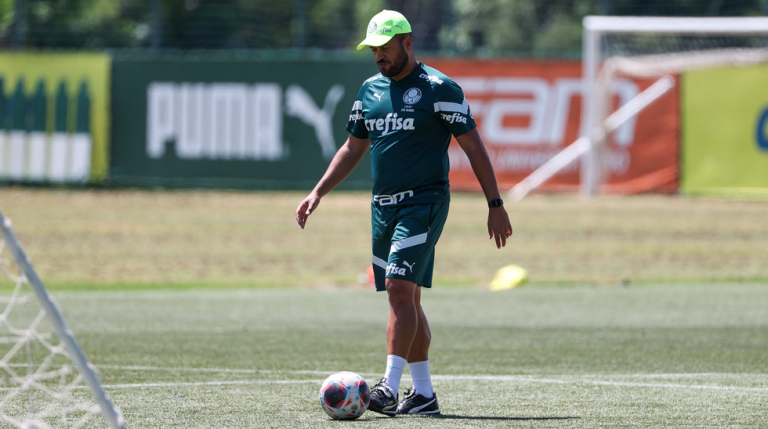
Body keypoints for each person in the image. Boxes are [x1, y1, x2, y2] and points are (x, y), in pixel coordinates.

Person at [295, 9, 512, 417]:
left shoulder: (439, 88)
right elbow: (352, 148)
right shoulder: (368, 90)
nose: (378, 55)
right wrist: (318, 191)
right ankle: (424, 395)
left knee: (397, 286)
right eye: (373, 49)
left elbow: (474, 145)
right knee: (406, 295)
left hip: (425, 202)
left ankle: (389, 389)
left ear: (407, 43)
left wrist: (495, 204)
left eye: (384, 47)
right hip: (383, 208)